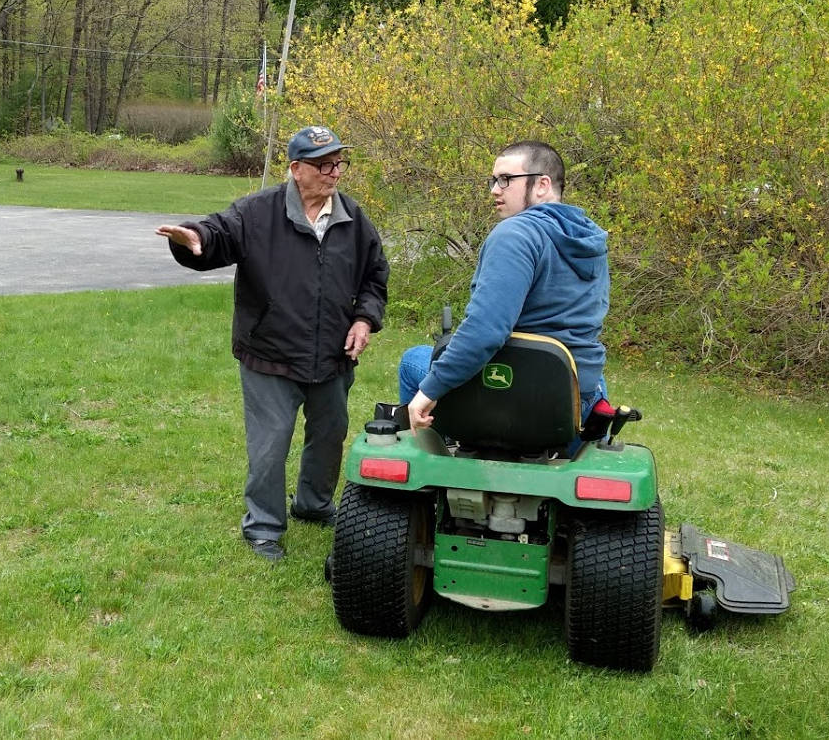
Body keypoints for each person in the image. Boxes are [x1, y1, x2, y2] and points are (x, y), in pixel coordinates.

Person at [156, 126, 389, 562]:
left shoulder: (354, 219)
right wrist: (194, 239)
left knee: (330, 434)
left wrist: (363, 319)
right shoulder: (258, 212)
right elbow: (218, 233)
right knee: (270, 445)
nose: (334, 173)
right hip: (270, 355)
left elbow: (375, 275)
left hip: (332, 358)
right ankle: (263, 527)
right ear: (296, 170)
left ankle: (314, 503)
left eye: (339, 163)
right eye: (324, 165)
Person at [399, 140, 609, 436]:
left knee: (413, 362)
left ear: (541, 185)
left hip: (521, 395)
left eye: (506, 180)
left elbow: (485, 332)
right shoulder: (589, 237)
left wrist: (429, 391)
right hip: (578, 397)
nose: (495, 189)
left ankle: (438, 459)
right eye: (494, 180)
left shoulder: (515, 234)